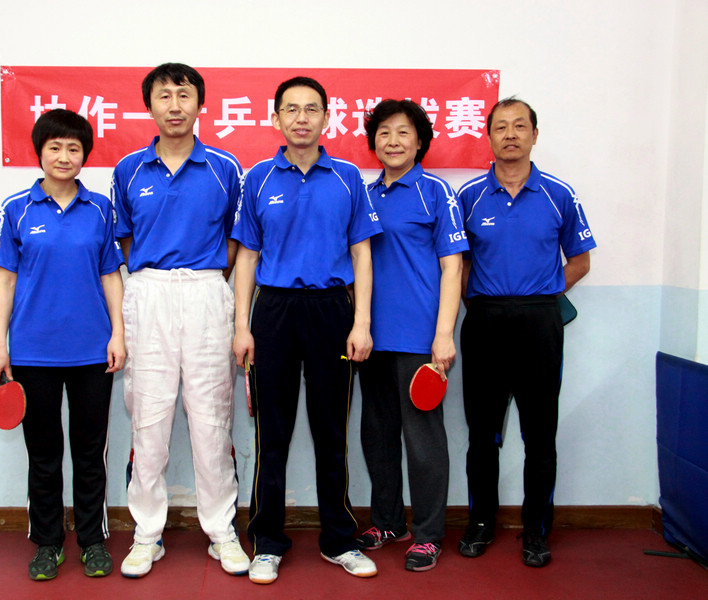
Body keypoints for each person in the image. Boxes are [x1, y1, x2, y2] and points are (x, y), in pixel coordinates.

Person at [232, 76, 383, 585]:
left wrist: (361, 322)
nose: (301, 118)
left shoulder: (347, 177)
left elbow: (362, 253)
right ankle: (267, 542)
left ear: (326, 118)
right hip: (273, 312)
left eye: (311, 109)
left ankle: (339, 539)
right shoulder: (257, 178)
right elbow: (246, 257)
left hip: (332, 312)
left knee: (331, 433)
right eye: (291, 109)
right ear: (275, 118)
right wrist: (241, 327)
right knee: (271, 435)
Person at [111, 62, 249, 579]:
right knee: (148, 418)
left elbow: (237, 240)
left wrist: (204, 277)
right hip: (148, 291)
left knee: (212, 416)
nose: (175, 105)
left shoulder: (225, 167)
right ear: (149, 105)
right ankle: (147, 534)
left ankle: (222, 531)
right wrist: (156, 277)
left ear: (199, 104)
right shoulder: (128, 169)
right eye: (164, 96)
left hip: (207, 291)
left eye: (184, 95)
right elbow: (126, 240)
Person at [456, 97, 596, 567]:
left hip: (540, 322)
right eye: (501, 127)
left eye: (520, 126)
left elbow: (580, 260)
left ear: (535, 135)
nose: (510, 134)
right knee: (483, 434)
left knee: (539, 435)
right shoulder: (469, 196)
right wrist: (480, 304)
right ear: (489, 137)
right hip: (485, 321)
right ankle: (481, 524)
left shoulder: (558, 194)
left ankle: (536, 531)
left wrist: (543, 294)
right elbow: (459, 265)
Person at [0, 108, 125, 581]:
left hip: (92, 353)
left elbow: (111, 276)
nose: (64, 156)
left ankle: (92, 541)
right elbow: (5, 282)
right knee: (43, 455)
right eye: (55, 147)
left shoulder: (100, 209)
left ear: (85, 155)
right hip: (33, 353)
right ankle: (47, 543)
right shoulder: (15, 209)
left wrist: (118, 334)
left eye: (74, 148)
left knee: (90, 454)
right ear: (39, 152)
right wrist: (0, 346)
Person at [355, 99, 467, 572]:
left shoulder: (436, 192)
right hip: (370, 339)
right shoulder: (363, 194)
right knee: (377, 436)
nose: (393, 141)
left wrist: (444, 334)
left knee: (423, 443)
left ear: (420, 141)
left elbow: (453, 267)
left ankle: (427, 533)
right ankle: (387, 522)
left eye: (403, 132)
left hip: (420, 339)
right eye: (384, 133)